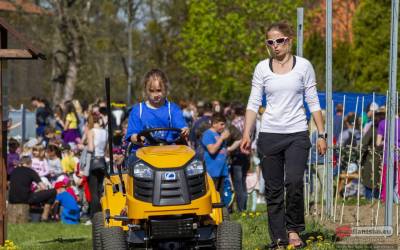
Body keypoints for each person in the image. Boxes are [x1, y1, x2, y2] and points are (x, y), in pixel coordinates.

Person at [240, 21, 326, 249]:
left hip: (297, 132)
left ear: (289, 40)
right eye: (270, 42)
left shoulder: (304, 66)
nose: (275, 46)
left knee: (295, 181)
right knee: (273, 188)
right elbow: (253, 102)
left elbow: (313, 100)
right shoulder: (261, 68)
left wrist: (321, 134)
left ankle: (294, 229)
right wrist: (246, 133)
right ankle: (278, 237)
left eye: (280, 40)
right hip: (269, 134)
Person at [125, 69, 189, 156]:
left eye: (159, 90)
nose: (155, 95)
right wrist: (137, 138)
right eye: (151, 91)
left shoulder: (173, 109)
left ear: (165, 89)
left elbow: (181, 127)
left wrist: (184, 130)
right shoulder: (138, 111)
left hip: (169, 152)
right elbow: (132, 135)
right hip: (144, 153)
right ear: (145, 90)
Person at [8, 156, 56, 221]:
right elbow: (43, 187)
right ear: (30, 163)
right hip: (25, 199)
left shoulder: (14, 171)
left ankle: (33, 216)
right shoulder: (31, 171)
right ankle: (45, 216)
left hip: (11, 199)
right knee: (53, 192)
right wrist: (36, 190)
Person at [201, 113, 230, 199]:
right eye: (221, 124)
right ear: (214, 124)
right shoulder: (208, 134)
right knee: (213, 196)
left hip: (222, 171)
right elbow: (212, 150)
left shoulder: (219, 134)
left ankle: (223, 211)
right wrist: (222, 138)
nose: (223, 126)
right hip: (212, 172)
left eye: (224, 124)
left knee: (221, 196)